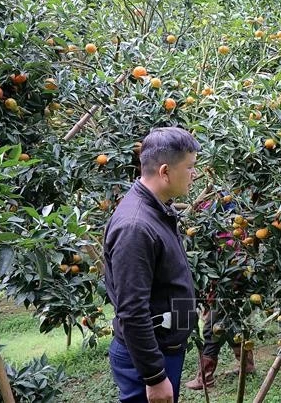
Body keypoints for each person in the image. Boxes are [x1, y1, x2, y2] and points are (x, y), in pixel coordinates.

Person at [104, 126, 200, 403]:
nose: (194, 174)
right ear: (165, 171)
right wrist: (154, 376)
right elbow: (132, 310)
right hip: (149, 358)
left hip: (165, 347)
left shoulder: (156, 209)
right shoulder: (135, 226)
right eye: (190, 167)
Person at [184, 198, 257, 391]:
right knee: (231, 325)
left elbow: (225, 267)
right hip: (231, 287)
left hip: (227, 288)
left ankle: (205, 378)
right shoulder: (231, 232)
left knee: (211, 329)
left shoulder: (226, 237)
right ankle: (247, 366)